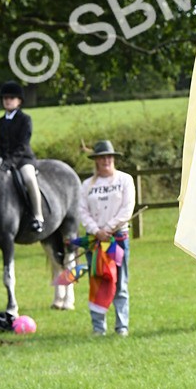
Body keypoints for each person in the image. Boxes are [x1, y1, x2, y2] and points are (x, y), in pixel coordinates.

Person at [79, 140, 135, 335]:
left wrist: (109, 229)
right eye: (102, 157)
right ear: (96, 160)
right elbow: (82, 211)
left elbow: (127, 208)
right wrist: (97, 231)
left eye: (109, 157)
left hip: (117, 239)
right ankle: (98, 327)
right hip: (95, 241)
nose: (106, 160)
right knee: (97, 282)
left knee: (120, 282)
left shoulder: (125, 180)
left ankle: (122, 326)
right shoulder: (87, 185)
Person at [0, 80, 44, 231]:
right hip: (4, 160)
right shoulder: (0, 122)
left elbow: (23, 145)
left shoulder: (25, 119)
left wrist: (9, 162)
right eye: (5, 98)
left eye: (11, 98)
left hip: (23, 159)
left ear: (19, 101)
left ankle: (38, 216)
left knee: (29, 178)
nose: (7, 100)